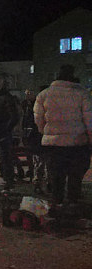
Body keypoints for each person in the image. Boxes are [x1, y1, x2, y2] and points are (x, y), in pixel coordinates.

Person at [34, 64, 92, 209]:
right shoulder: (82, 94)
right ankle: (73, 202)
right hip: (77, 142)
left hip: (53, 144)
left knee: (56, 175)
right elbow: (89, 120)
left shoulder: (44, 94)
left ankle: (57, 202)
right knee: (75, 175)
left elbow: (38, 118)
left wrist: (45, 132)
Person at [0, 75, 21, 192]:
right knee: (0, 158)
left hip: (3, 133)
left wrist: (5, 130)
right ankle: (1, 181)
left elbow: (14, 116)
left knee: (5, 158)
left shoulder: (6, 98)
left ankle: (9, 182)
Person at [21, 87, 47, 194]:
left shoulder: (37, 105)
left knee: (39, 159)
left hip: (38, 135)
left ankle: (39, 181)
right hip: (36, 135)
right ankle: (39, 181)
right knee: (38, 159)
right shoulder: (26, 104)